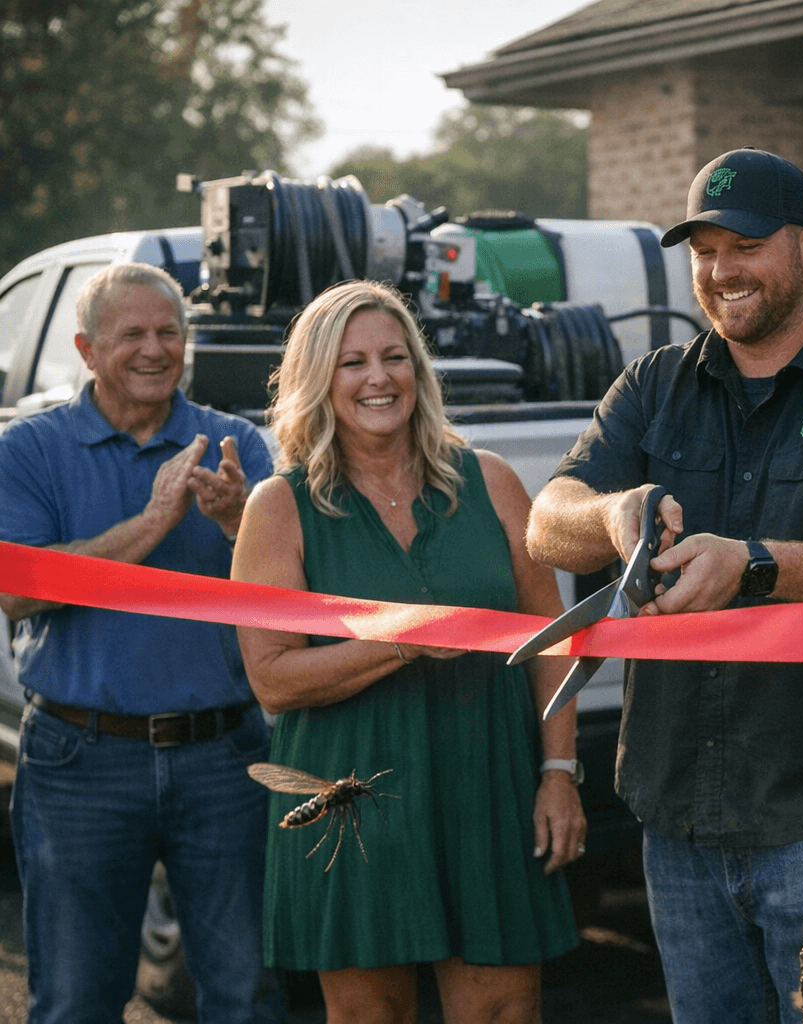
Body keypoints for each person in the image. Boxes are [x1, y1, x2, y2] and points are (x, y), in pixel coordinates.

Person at [524, 147, 803, 1024]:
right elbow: (549, 517)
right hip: (682, 823)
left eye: (745, 245)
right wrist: (617, 514)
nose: (721, 270)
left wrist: (760, 563)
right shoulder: (656, 383)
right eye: (703, 251)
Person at [230, 280, 582, 1023]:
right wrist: (406, 641)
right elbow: (273, 681)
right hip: (348, 798)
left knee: (504, 1013)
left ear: (420, 373)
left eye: (396, 357)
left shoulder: (491, 482)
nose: (379, 377)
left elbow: (554, 640)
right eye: (351, 361)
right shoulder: (278, 507)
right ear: (317, 380)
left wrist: (558, 772)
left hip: (487, 785)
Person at [0, 263, 284, 1024]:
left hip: (225, 757)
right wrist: (151, 525)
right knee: (74, 1000)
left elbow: (286, 601)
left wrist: (234, 524)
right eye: (133, 335)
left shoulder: (237, 445)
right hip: (79, 761)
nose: (156, 349)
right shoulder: (28, 450)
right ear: (87, 349)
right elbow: (17, 591)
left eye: (170, 332)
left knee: (247, 995)